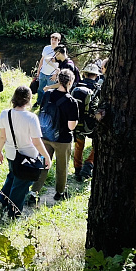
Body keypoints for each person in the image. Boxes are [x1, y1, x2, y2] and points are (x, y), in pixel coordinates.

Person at [0, 86, 51, 218]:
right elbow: (36, 141)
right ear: (29, 100)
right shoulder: (31, 117)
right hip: (28, 157)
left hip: (11, 153)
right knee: (21, 184)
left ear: (14, 98)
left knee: (13, 175)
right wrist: (46, 156)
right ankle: (13, 214)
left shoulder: (5, 114)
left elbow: (2, 136)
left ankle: (1, 201)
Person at [27, 68, 79, 204]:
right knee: (62, 168)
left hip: (45, 136)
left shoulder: (47, 94)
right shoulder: (72, 102)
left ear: (58, 80)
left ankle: (34, 193)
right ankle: (59, 193)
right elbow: (71, 127)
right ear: (71, 82)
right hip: (62, 140)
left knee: (43, 164)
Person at [72, 64, 102, 180]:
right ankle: (88, 164)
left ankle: (77, 169)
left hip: (77, 122)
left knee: (79, 145)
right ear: (96, 75)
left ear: (84, 74)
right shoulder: (98, 88)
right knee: (98, 143)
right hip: (91, 124)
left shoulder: (76, 86)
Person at [35, 33, 61, 106]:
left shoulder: (60, 51)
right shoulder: (46, 48)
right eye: (52, 39)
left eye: (55, 40)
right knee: (40, 89)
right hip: (43, 72)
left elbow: (61, 65)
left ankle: (48, 104)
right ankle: (38, 102)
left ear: (58, 41)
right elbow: (42, 59)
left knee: (50, 91)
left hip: (52, 75)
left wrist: (56, 74)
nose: (53, 42)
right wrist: (38, 70)